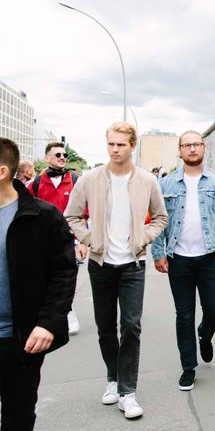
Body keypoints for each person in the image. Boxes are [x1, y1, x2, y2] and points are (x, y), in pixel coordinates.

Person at [64, 122, 167, 420]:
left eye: (121, 144)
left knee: (132, 326)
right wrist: (88, 239)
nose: (115, 149)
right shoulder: (90, 178)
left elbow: (160, 217)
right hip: (100, 264)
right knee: (105, 326)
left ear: (132, 145)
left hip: (133, 265)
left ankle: (128, 391)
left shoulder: (147, 180)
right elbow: (71, 215)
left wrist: (144, 238)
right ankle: (113, 378)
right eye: (111, 144)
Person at [0, 138, 77, 430]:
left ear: (2, 171)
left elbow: (64, 273)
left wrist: (47, 323)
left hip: (20, 339)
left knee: (17, 416)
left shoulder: (42, 217)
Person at [152, 131, 215, 391]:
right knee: (184, 315)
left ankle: (205, 334)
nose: (192, 149)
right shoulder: (166, 184)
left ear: (203, 148)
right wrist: (158, 253)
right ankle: (188, 368)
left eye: (196, 144)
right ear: (179, 150)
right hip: (178, 259)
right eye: (187, 145)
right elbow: (158, 219)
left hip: (210, 256)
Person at [29, 141, 83, 335]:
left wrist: (83, 240)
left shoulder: (76, 181)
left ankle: (68, 310)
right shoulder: (35, 183)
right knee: (45, 275)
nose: (62, 158)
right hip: (43, 239)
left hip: (70, 238)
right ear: (47, 158)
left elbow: (86, 211)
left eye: (64, 155)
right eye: (58, 155)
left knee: (67, 274)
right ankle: (49, 314)